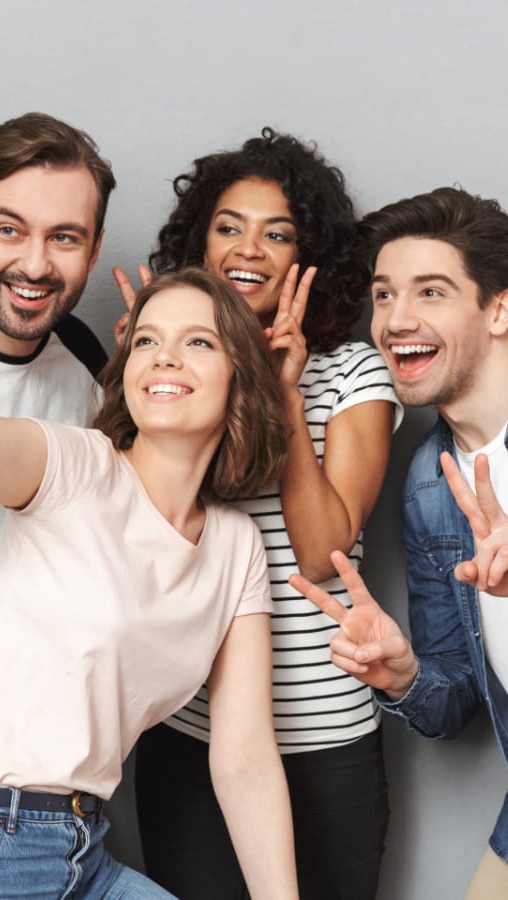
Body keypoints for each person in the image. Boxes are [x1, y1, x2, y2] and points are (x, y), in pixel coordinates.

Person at [0, 268, 299, 899]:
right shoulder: (74, 467)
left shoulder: (236, 546)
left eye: (198, 342)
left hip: (82, 850)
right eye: (147, 340)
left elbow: (244, 758)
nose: (164, 357)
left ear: (241, 373)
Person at [115, 128, 402, 900]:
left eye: (278, 233)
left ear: (311, 256)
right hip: (192, 736)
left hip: (326, 742)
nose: (249, 249)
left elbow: (321, 553)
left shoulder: (352, 372)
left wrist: (284, 395)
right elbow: (132, 545)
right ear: (200, 245)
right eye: (229, 227)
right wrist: (140, 388)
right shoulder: (180, 370)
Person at [293, 186, 508, 900]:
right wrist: (404, 675)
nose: (396, 321)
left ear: (499, 309)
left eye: (431, 292)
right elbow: (454, 704)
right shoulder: (428, 484)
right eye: (384, 295)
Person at [0, 111, 115, 707]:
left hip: (37, 721)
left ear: (94, 249)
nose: (35, 266)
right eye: (9, 230)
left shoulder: (89, 359)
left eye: (64, 237)